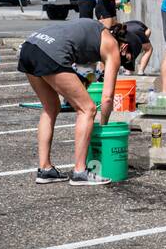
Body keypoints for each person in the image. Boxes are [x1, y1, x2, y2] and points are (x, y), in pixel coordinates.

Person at [18, 17, 142, 186]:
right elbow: (107, 97)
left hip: (30, 47)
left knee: (51, 107)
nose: (122, 64)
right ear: (124, 46)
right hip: (51, 52)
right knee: (88, 109)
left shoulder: (96, 33)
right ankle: (80, 171)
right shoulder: (113, 47)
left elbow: (84, 77)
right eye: (126, 59)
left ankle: (45, 170)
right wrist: (103, 126)